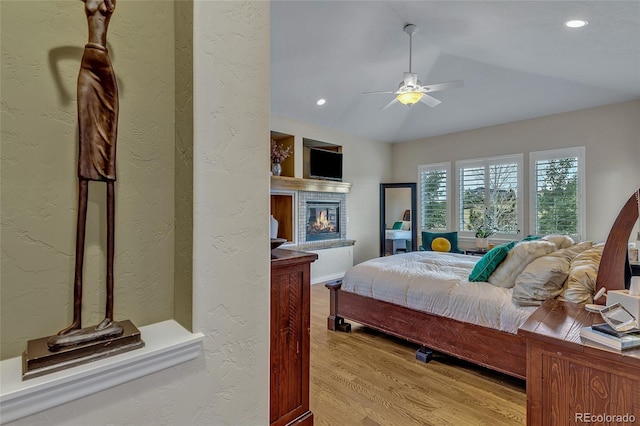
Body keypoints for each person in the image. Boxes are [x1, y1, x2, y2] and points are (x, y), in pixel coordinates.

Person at [49, 0, 121, 349]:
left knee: (108, 176)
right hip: (86, 67)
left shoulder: (110, 2)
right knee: (83, 171)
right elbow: (54, 55)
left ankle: (108, 310)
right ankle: (77, 318)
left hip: (105, 67)